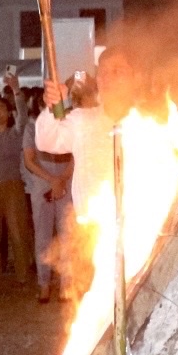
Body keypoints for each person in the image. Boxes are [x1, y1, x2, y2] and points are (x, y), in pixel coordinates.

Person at [35, 74, 112, 300]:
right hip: (90, 213)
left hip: (127, 212)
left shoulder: (135, 115)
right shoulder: (81, 120)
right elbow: (47, 141)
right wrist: (52, 106)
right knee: (95, 283)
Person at [24, 94, 76, 304]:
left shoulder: (71, 125)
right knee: (43, 236)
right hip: (42, 185)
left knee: (67, 234)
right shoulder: (32, 128)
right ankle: (44, 283)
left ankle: (67, 284)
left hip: (66, 183)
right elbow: (29, 160)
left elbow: (76, 155)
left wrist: (61, 179)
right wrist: (52, 180)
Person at [0, 95, 32, 288]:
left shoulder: (15, 133)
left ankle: (22, 274)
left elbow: (23, 116)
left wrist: (16, 91)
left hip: (13, 186)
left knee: (18, 231)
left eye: (2, 108)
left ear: (8, 112)